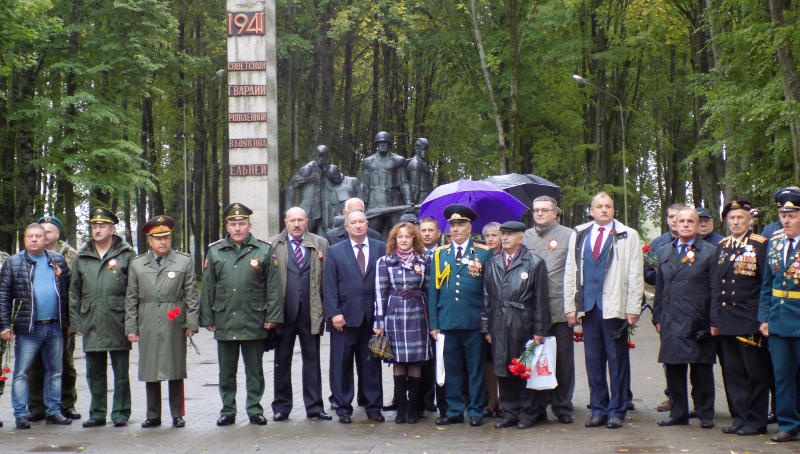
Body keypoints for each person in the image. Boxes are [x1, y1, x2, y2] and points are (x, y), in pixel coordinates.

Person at [564, 192, 643, 429]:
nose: (604, 210)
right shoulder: (579, 234)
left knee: (617, 361)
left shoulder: (628, 234)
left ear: (614, 210)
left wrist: (633, 308)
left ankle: (617, 411)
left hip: (615, 308)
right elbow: (571, 271)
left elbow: (635, 274)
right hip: (588, 308)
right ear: (591, 210)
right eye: (599, 206)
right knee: (593, 361)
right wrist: (571, 306)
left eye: (608, 206)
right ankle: (598, 408)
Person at [200, 204, 282, 426]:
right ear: (227, 226)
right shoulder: (215, 251)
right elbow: (208, 285)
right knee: (226, 371)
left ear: (249, 225)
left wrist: (272, 316)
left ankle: (254, 408)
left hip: (254, 319)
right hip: (224, 319)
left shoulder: (263, 250)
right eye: (233, 224)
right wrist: (206, 317)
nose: (237, 228)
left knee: (254, 370)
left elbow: (273, 286)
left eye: (242, 224)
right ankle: (228, 410)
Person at [125, 215, 199, 428]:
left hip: (174, 319)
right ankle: (153, 414)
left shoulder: (183, 261)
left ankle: (177, 414)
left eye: (166, 237)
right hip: (147, 319)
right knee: (150, 369)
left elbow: (191, 294)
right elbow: (131, 298)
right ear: (149, 240)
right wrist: (131, 327)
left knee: (175, 367)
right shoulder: (138, 264)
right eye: (157, 238)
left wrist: (191, 323)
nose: (163, 242)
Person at [0, 223, 72, 429]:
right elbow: (3, 296)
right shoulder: (13, 263)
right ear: (24, 240)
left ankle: (54, 411)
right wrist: (5, 325)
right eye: (29, 236)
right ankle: (21, 414)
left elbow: (66, 293)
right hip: (28, 328)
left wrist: (67, 323)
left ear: (45, 239)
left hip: (55, 327)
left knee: (55, 371)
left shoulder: (57, 260)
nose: (34, 239)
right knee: (22, 372)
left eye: (38, 236)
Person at [70, 208, 135, 428]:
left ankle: (120, 412)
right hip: (91, 320)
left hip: (118, 320)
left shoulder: (126, 255)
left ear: (112, 229)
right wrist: (76, 322)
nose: (97, 230)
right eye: (94, 226)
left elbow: (133, 291)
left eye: (102, 226)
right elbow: (74, 292)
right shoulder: (82, 256)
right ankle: (97, 413)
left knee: (121, 373)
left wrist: (132, 323)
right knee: (94, 372)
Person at [428, 204, 493, 427]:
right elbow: (432, 290)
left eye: (460, 225)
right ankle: (455, 410)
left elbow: (488, 290)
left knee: (475, 369)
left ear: (469, 228)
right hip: (447, 321)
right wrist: (434, 324)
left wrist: (487, 323)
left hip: (473, 321)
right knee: (452, 368)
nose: (454, 230)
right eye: (452, 225)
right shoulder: (439, 255)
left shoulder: (483, 253)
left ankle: (476, 409)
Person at [711, 201, 771, 436]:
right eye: (732, 219)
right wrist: (715, 320)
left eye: (740, 218)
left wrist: (763, 317)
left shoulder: (759, 246)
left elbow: (766, 283)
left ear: (750, 221)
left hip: (750, 318)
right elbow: (717, 285)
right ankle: (739, 417)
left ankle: (756, 420)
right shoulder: (723, 246)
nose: (736, 222)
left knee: (755, 372)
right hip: (727, 319)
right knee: (732, 371)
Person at [653, 207, 716, 429]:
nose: (686, 225)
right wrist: (657, 317)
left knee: (701, 370)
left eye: (691, 221)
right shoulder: (664, 252)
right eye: (682, 221)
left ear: (698, 225)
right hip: (671, 318)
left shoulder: (710, 251)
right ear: (675, 225)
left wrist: (712, 321)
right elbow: (660, 288)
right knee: (674, 369)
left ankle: (705, 412)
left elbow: (716, 289)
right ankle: (678, 413)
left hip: (698, 318)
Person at [484, 221, 550, 429]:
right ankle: (510, 411)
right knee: (502, 367)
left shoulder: (534, 263)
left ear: (521, 238)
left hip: (523, 322)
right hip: (499, 321)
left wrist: (540, 330)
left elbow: (541, 300)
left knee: (523, 368)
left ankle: (528, 412)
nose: (505, 237)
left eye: (510, 234)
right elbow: (486, 297)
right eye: (503, 234)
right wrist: (486, 326)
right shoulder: (493, 262)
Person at [323, 209, 386, 424]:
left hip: (372, 319)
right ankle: (343, 407)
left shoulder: (381, 248)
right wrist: (334, 313)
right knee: (343, 363)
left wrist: (382, 317)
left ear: (367, 224)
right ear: (346, 227)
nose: (358, 225)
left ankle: (374, 406)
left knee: (371, 364)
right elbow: (329, 285)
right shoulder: (335, 251)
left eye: (361, 222)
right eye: (354, 222)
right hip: (344, 318)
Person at [268, 207, 331, 422]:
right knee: (282, 360)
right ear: (285, 222)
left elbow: (328, 279)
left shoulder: (321, 243)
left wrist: (327, 310)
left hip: (311, 311)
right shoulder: (272, 244)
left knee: (312, 360)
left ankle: (314, 407)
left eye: (300, 220)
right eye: (292, 220)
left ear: (307, 221)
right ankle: (281, 406)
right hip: (283, 313)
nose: (296, 224)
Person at [524, 196, 578, 424]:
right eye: (536, 210)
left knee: (563, 361)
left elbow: (575, 271)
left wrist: (574, 307)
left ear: (555, 213)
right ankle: (537, 406)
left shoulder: (569, 235)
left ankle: (563, 406)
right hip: (533, 308)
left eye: (545, 210)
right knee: (536, 358)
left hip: (559, 306)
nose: (539, 214)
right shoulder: (525, 236)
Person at [374, 221, 432, 424]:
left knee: (415, 362)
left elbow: (428, 290)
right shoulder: (385, 261)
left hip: (417, 314)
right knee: (399, 362)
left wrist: (432, 319)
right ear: (394, 239)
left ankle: (414, 407)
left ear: (414, 238)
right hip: (394, 314)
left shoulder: (424, 260)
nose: (404, 240)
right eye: (400, 237)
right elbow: (379, 293)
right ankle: (401, 408)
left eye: (408, 236)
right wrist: (379, 321)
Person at [26, 215, 80, 422]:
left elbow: (75, 290)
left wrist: (72, 321)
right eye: (42, 231)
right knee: (35, 364)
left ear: (57, 234)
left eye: (49, 231)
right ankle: (37, 406)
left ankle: (67, 404)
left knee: (65, 364)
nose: (45, 235)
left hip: (62, 320)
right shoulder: (29, 255)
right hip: (36, 319)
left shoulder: (70, 255)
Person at [759, 188, 800, 442]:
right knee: (782, 376)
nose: (786, 220)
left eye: (792, 215)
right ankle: (788, 424)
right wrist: (764, 317)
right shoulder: (774, 243)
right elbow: (766, 284)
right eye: (783, 214)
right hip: (778, 320)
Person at [359, 132, 412, 236]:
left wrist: (408, 202)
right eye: (380, 143)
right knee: (371, 234)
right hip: (374, 203)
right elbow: (363, 186)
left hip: (394, 201)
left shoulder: (398, 161)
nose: (382, 145)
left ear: (389, 144)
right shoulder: (368, 162)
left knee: (400, 232)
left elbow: (404, 183)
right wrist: (360, 207)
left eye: (385, 142)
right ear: (376, 145)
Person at [480, 221, 503, 419]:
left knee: (504, 357)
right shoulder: (480, 256)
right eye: (487, 235)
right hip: (485, 313)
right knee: (488, 360)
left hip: (504, 315)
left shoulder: (507, 257)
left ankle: (504, 400)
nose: (490, 239)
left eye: (494, 235)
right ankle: (492, 399)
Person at [286, 145, 330, 235]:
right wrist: (289, 210)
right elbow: (290, 186)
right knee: (303, 239)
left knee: (323, 242)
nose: (321, 159)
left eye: (323, 156)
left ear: (327, 156)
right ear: (315, 155)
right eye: (318, 156)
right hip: (308, 212)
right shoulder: (307, 169)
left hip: (322, 213)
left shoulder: (326, 169)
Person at [406, 138, 433, 205]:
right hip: (420, 200)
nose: (424, 152)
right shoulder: (416, 163)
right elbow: (414, 186)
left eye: (426, 149)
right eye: (422, 149)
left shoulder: (422, 163)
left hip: (426, 198)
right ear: (416, 149)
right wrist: (412, 202)